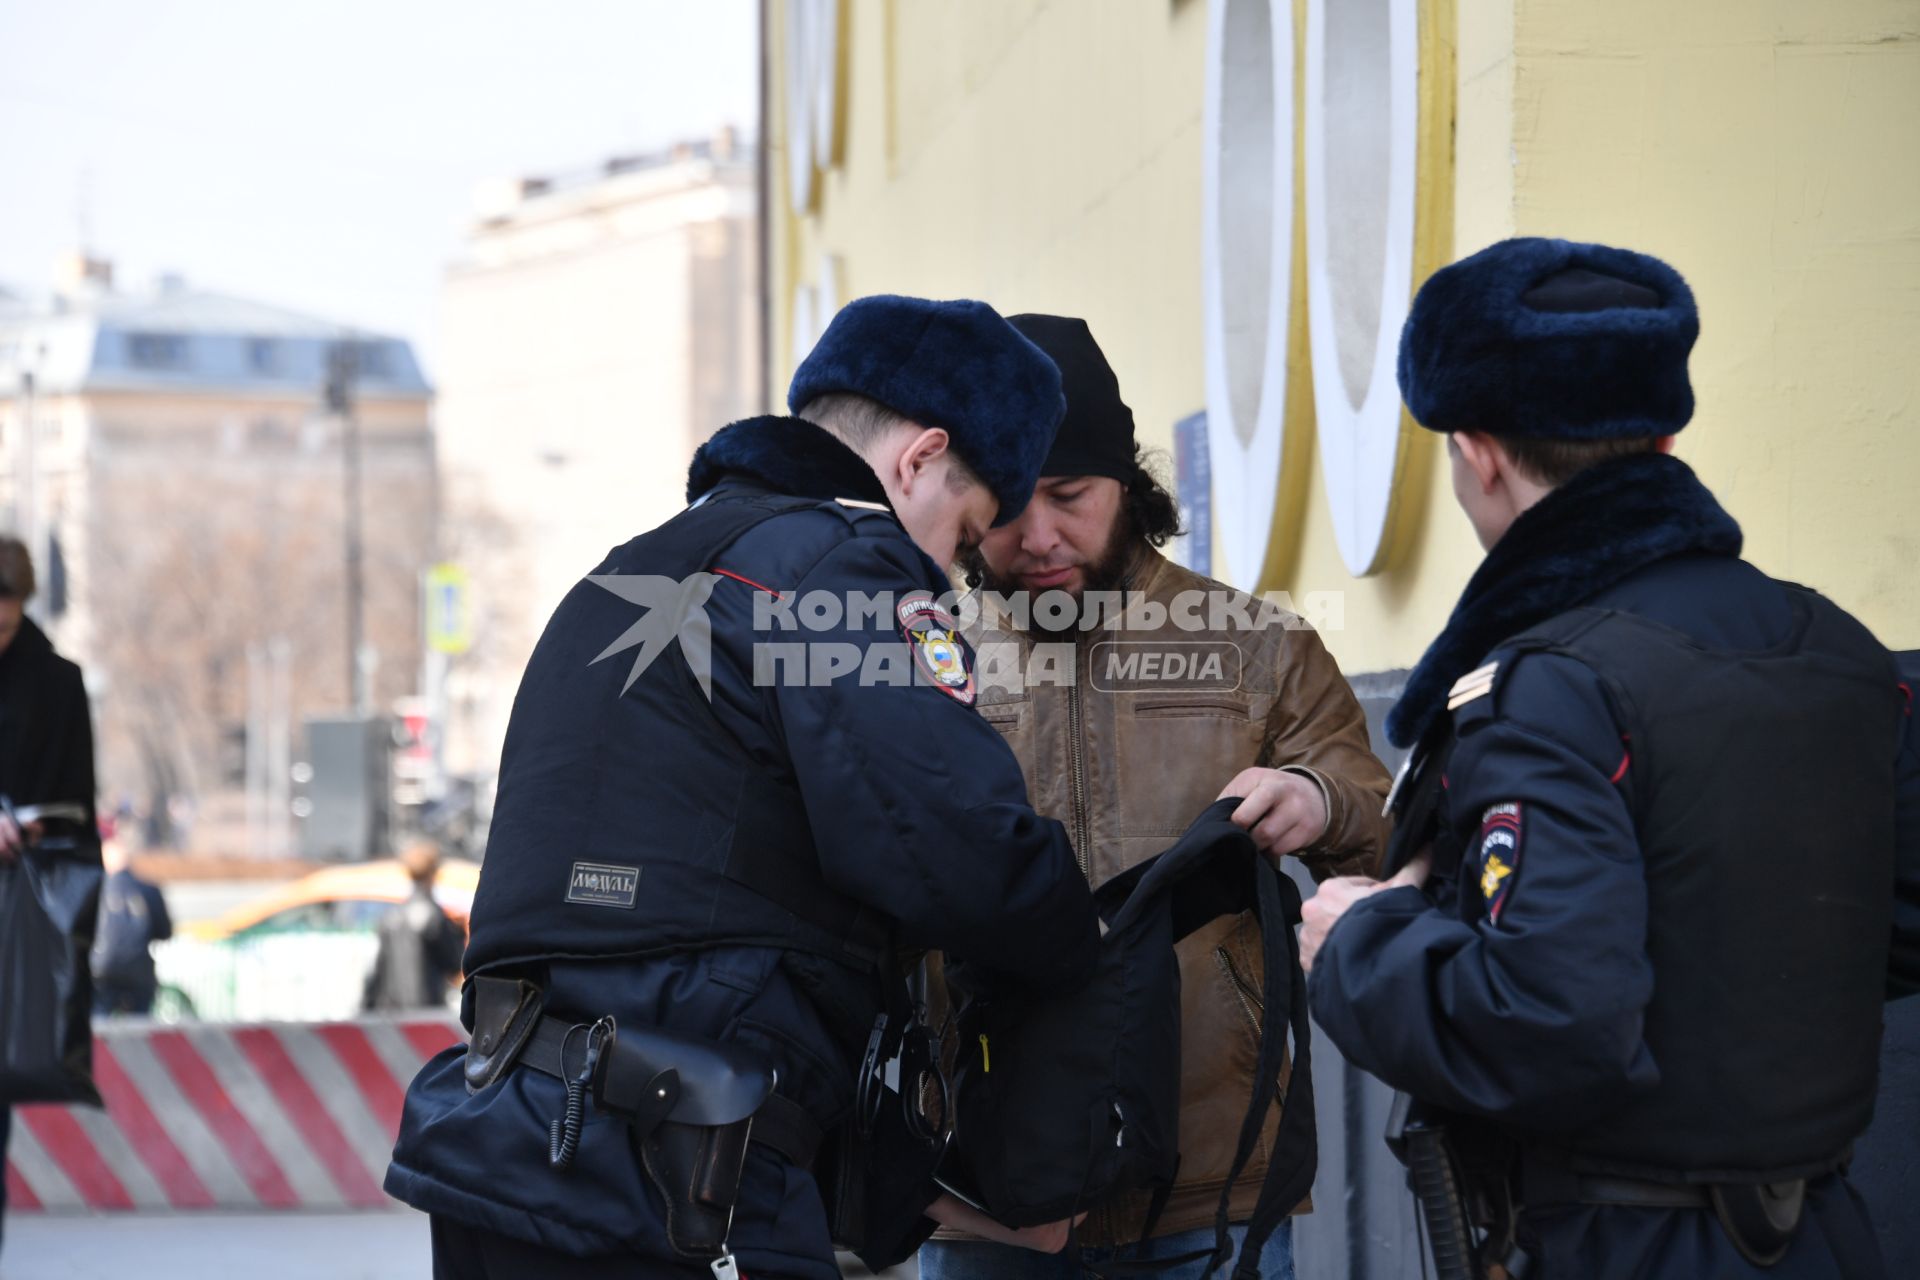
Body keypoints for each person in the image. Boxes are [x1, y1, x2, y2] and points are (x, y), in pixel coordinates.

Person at [386, 296, 1104, 1279]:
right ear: (919, 459)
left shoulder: (619, 576)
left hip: (503, 1143)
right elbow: (961, 850)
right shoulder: (844, 567)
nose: (955, 568)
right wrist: (1084, 928)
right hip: (683, 1170)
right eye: (968, 530)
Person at [1302, 237, 1920, 1278]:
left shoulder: (1552, 689)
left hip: (1618, 1242)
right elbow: (1891, 929)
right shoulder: (1840, 647)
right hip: (1826, 1230)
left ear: (1481, 451)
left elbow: (1549, 1018)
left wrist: (1363, 940)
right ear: (1663, 435)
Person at [920, 315, 1391, 1279]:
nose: (1041, 534)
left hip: (1209, 1180)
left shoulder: (1257, 643)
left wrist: (1320, 799)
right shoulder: (924, 655)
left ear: (1130, 489)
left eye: (1072, 494)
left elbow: (1381, 834)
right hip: (989, 1178)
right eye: (1009, 503)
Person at [0, 536, 99, 1260]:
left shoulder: (58, 682)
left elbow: (78, 810)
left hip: (12, 916)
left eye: (6, 621)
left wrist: (31, 824)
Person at [363, 840, 464, 1013]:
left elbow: (378, 968)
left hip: (390, 1011)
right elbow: (454, 964)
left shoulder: (391, 916)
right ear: (434, 873)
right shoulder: (434, 917)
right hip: (427, 1010)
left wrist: (366, 1006)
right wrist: (459, 933)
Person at [91, 818, 173, 1016]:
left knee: (100, 1025)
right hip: (139, 971)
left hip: (101, 968)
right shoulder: (148, 889)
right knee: (139, 1027)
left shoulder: (93, 889)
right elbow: (165, 932)